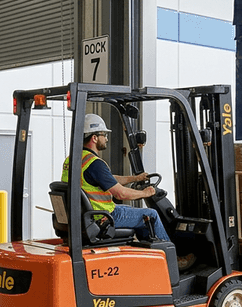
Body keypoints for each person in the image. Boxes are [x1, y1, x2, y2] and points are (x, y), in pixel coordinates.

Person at [62, 113, 196, 270]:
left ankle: (151, 259)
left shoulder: (75, 160)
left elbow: (110, 179)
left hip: (89, 216)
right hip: (103, 218)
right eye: (103, 135)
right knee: (150, 214)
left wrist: (135, 178)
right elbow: (121, 194)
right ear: (94, 138)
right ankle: (172, 262)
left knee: (136, 213)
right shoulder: (95, 163)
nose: (106, 138)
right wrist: (145, 193)